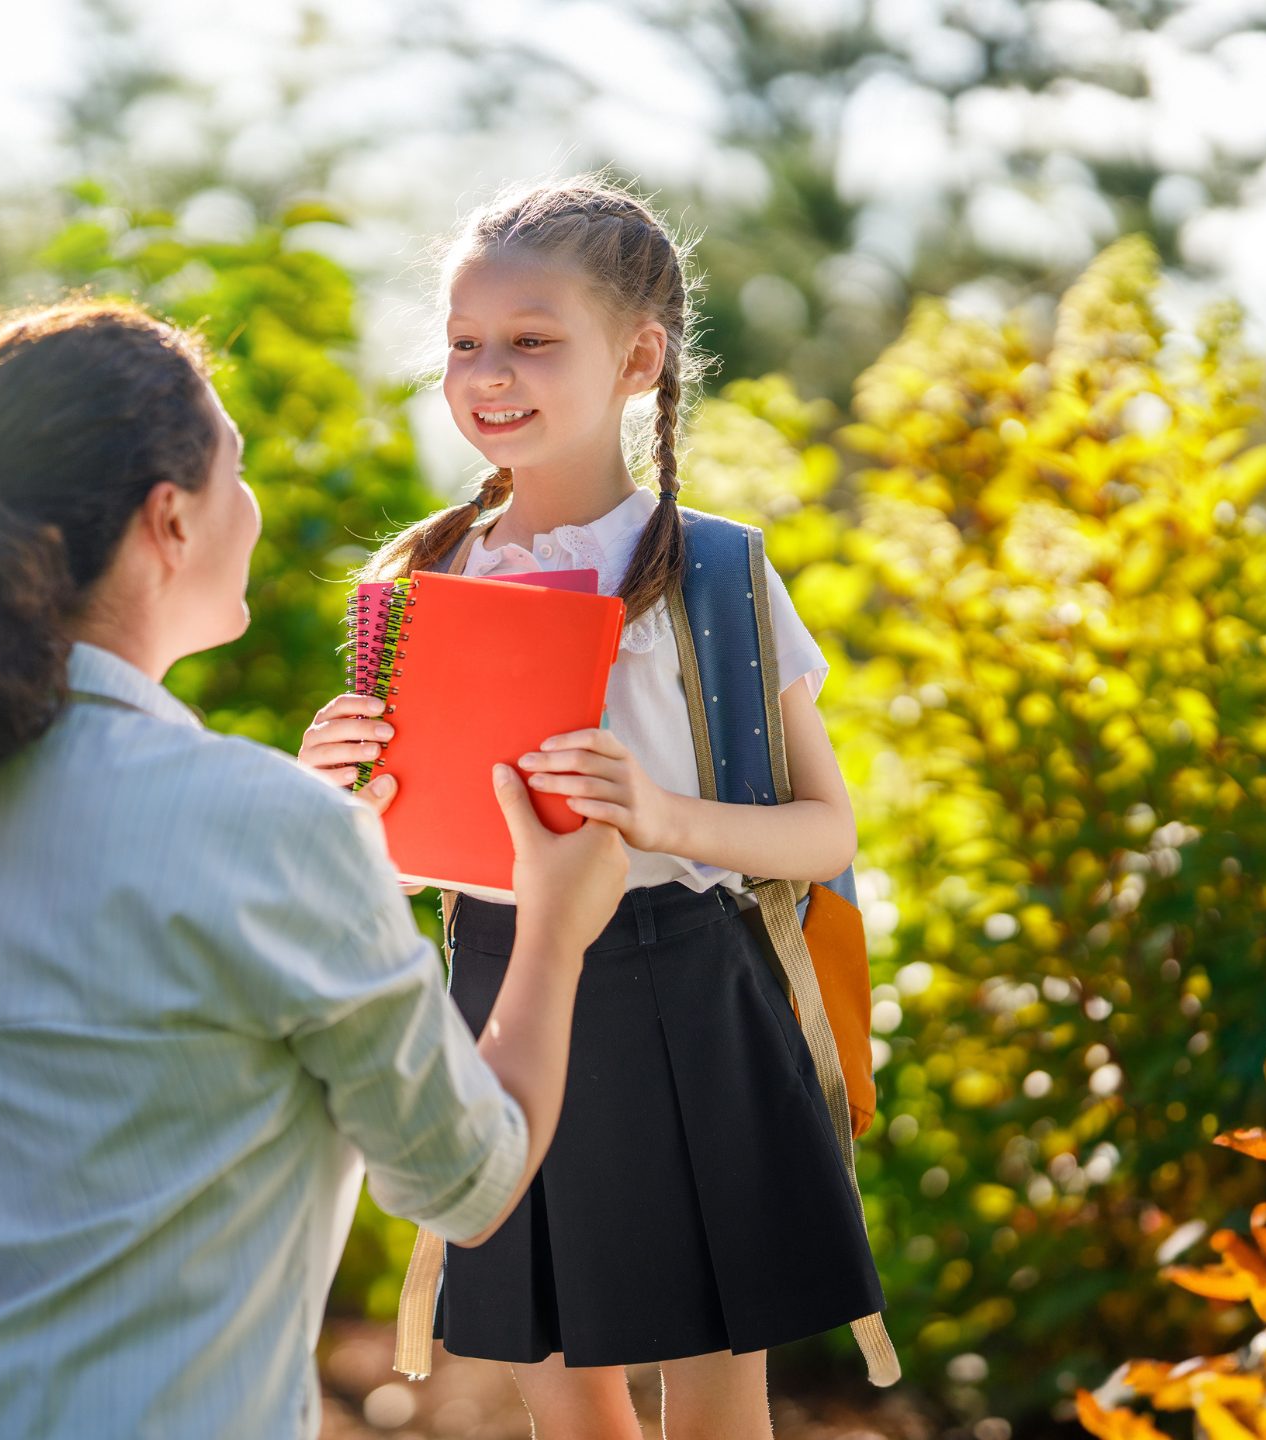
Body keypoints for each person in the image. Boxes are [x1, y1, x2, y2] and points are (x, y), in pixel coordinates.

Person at [0, 299, 629, 1439]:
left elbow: (104, 1063)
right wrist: (555, 928)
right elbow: (468, 1180)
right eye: (233, 473)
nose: (251, 506)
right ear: (169, 521)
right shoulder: (261, 829)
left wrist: (320, 858)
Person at [295, 174, 884, 1440]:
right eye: (464, 344)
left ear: (638, 357)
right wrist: (331, 789)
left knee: (720, 1390)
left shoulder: (711, 572)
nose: (488, 372)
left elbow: (825, 832)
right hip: (501, 988)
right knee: (563, 1403)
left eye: (530, 339)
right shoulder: (422, 577)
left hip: (692, 986)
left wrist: (665, 816)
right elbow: (387, 856)